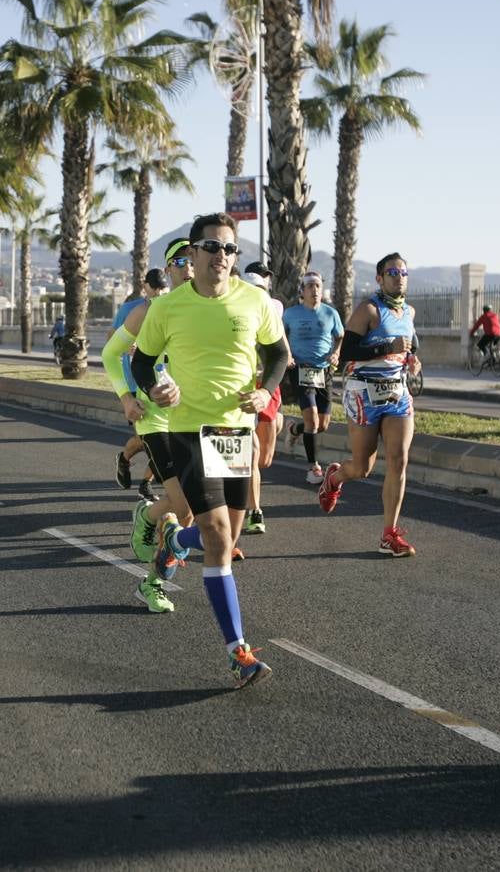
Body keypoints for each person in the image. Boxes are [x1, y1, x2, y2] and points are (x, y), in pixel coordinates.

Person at [130, 213, 288, 687]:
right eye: (212, 248)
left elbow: (278, 354)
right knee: (218, 536)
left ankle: (174, 542)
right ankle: (237, 652)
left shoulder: (255, 300)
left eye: (229, 249)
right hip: (187, 429)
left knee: (225, 542)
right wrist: (155, 390)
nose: (222, 257)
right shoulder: (168, 308)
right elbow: (141, 364)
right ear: (193, 254)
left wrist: (265, 392)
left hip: (234, 431)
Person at [317, 252, 422, 558]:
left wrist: (413, 359)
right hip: (364, 393)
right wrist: (388, 347)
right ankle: (334, 478)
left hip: (397, 394)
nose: (398, 277)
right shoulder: (369, 310)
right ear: (379, 278)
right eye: (392, 272)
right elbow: (349, 349)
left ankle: (389, 534)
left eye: (403, 273)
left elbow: (410, 345)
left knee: (399, 460)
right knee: (362, 468)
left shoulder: (409, 313)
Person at [102, 259, 181, 612]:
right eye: (180, 262)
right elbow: (111, 349)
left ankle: (151, 518)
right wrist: (126, 395)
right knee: (182, 499)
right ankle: (154, 580)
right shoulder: (138, 311)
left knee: (208, 514)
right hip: (149, 405)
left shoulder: (205, 310)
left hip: (194, 416)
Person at [112, 268, 171, 501]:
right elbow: (112, 343)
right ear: (144, 286)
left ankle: (145, 482)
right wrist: (128, 346)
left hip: (168, 384)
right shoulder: (131, 309)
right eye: (153, 287)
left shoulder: (171, 306)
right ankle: (125, 459)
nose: (157, 292)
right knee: (148, 441)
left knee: (166, 441)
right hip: (136, 383)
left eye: (162, 289)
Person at [240, 262, 289, 534]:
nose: (256, 295)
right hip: (242, 389)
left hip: (266, 386)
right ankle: (255, 511)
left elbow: (281, 346)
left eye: (261, 288)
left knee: (264, 459)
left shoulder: (274, 307)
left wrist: (287, 357)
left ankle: (279, 420)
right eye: (252, 289)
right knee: (252, 452)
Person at [283, 271, 345, 485]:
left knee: (323, 424)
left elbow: (339, 336)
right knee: (312, 420)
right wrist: (289, 354)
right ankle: (313, 468)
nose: (314, 290)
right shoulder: (291, 314)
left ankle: (294, 429)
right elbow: (280, 335)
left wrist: (336, 352)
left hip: (324, 371)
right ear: (302, 291)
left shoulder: (330, 313)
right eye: (309, 286)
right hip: (301, 369)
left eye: (317, 285)